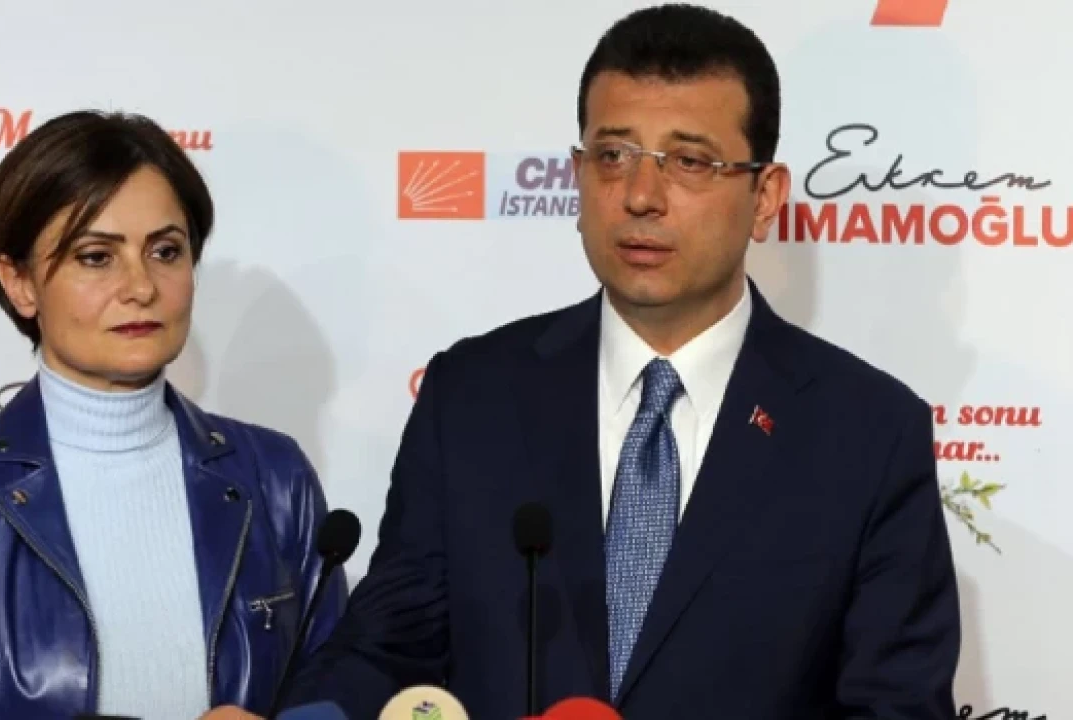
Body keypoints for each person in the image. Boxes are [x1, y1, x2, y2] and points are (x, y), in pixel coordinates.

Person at [286, 4, 960, 719]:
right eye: (613, 156)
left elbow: (895, 706)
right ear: (578, 174)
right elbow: (386, 651)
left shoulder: (868, 434)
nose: (640, 196)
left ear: (764, 197)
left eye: (690, 162)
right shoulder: (473, 396)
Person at [0, 110, 345, 720]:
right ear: (19, 282)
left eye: (165, 251)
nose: (141, 287)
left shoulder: (273, 478)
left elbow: (337, 695)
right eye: (96, 257)